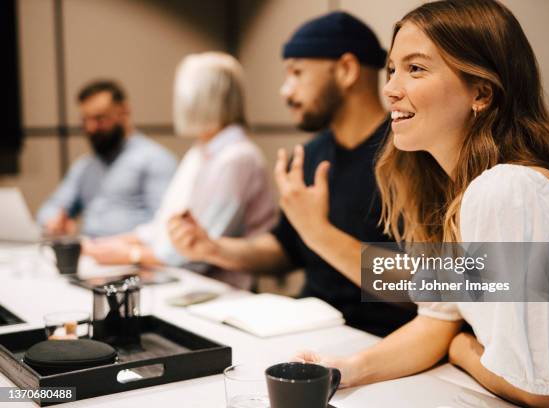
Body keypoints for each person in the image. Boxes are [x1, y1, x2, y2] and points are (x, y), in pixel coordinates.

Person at [295, 1, 549, 407]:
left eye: (415, 68)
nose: (390, 88)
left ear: (481, 92)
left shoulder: (508, 190)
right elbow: (437, 319)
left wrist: (462, 347)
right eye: (392, 69)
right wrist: (343, 369)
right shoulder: (466, 191)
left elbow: (537, 392)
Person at [168, 12, 416, 336]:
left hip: (379, 337)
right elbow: (286, 248)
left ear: (346, 70)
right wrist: (214, 248)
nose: (286, 91)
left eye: (297, 73)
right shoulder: (311, 154)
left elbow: (430, 287)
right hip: (308, 325)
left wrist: (320, 233)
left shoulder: (409, 154)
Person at [83, 53, 277, 290]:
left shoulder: (237, 158)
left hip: (222, 290)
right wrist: (111, 243)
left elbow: (195, 251)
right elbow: (166, 222)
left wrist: (132, 254)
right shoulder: (199, 152)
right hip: (185, 281)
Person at [37, 80, 177, 237]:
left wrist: (129, 248)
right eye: (85, 120)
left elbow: (167, 224)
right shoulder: (85, 166)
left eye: (99, 119)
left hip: (131, 255)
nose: (91, 128)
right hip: (88, 252)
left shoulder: (155, 160)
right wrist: (54, 222)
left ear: (124, 111)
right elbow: (51, 207)